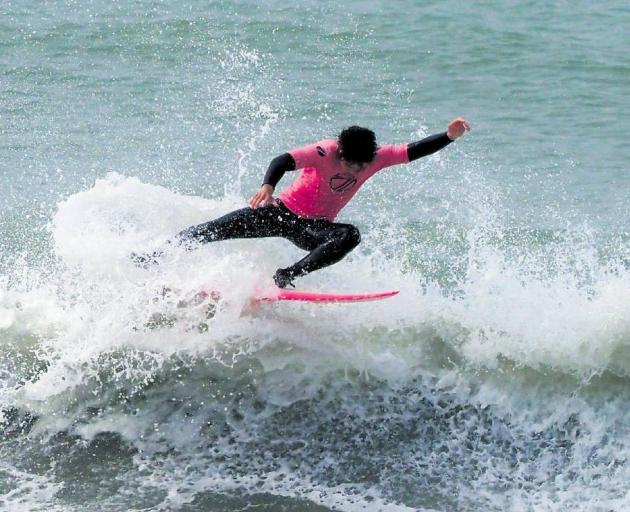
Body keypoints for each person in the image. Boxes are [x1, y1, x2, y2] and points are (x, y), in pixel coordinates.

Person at [133, 118, 470, 288]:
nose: (357, 169)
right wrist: (267, 186)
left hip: (315, 228)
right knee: (213, 230)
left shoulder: (375, 158)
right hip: (279, 213)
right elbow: (282, 159)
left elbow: (415, 150)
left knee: (350, 235)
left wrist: (449, 136)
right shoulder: (324, 150)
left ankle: (287, 275)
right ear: (341, 151)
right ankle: (156, 256)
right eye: (352, 164)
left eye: (362, 165)